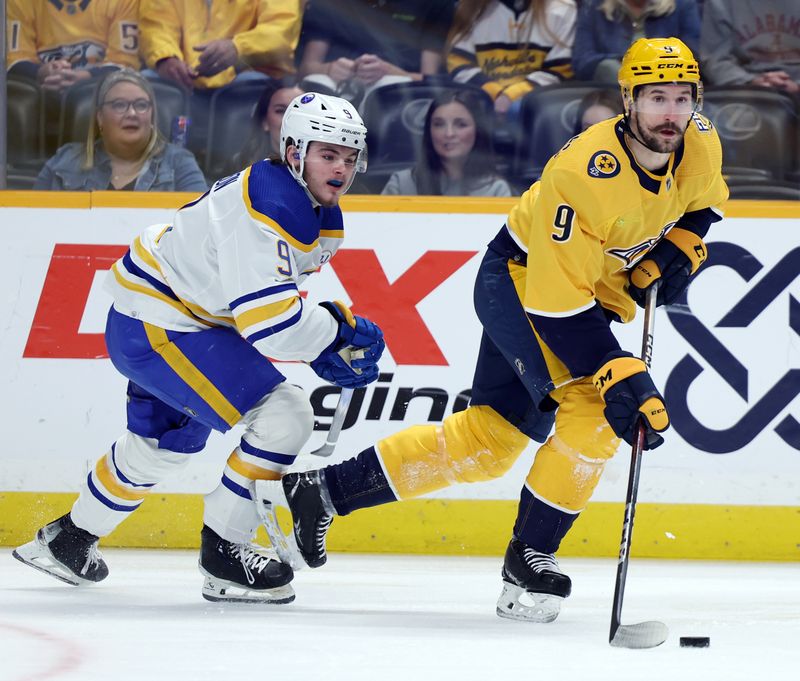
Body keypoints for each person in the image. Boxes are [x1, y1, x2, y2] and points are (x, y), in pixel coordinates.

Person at [262, 38, 728, 622]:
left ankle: (322, 492)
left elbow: (703, 206)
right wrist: (620, 372)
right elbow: (556, 309)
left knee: (490, 441)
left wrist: (682, 246)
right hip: (522, 283)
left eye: (682, 98)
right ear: (628, 101)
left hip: (586, 294)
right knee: (594, 408)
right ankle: (527, 563)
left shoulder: (700, 140)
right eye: (656, 97)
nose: (671, 113)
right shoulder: (582, 173)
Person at [14, 93, 385, 605]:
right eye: (328, 154)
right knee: (286, 415)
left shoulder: (301, 200)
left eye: (349, 156)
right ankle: (225, 555)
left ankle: (69, 542)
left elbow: (258, 300)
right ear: (295, 152)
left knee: (165, 445)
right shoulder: (275, 205)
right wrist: (330, 336)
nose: (342, 168)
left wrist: (326, 333)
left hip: (161, 320)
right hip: (165, 327)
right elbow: (271, 325)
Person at [33, 69, 207, 192]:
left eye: (141, 105)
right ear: (100, 117)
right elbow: (33, 224)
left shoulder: (179, 164)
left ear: (152, 115)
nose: (132, 113)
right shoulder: (63, 162)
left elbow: (201, 227)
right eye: (119, 105)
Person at [297, 0, 455, 108]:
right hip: (339, 89)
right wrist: (329, 69)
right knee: (318, 81)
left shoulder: (435, 3)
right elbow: (306, 68)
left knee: (387, 88)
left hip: (399, 92)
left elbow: (429, 79)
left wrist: (393, 73)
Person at [447, 0, 577, 116]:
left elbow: (561, 68)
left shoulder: (562, 8)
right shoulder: (470, 7)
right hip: (480, 101)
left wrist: (512, 95)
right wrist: (494, 93)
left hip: (538, 104)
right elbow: (459, 61)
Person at [139, 0, 302, 91]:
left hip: (250, 82)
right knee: (150, 82)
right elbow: (156, 24)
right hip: (184, 82)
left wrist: (238, 48)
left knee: (251, 84)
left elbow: (281, 31)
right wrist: (166, 58)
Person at [381, 90, 512, 197]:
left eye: (461, 125)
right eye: (439, 124)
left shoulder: (496, 190)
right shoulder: (402, 184)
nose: (449, 134)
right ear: (429, 131)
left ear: (478, 131)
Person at [6, 0, 140, 93]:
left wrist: (86, 77)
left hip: (97, 93)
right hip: (42, 93)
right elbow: (13, 61)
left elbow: (125, 65)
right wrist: (41, 72)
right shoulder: (20, 2)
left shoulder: (124, 2)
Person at [572, 0, 701, 82]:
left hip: (668, 82)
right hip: (610, 92)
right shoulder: (594, 6)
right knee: (610, 69)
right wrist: (629, 63)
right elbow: (582, 61)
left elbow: (693, 56)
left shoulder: (683, 5)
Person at [700, 0, 800, 93]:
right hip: (745, 90)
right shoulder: (721, 3)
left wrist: (797, 85)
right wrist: (751, 81)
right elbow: (715, 60)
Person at [220, 80, 305, 177]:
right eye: (281, 111)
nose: (290, 119)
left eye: (299, 111)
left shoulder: (323, 169)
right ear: (265, 122)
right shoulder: (239, 167)